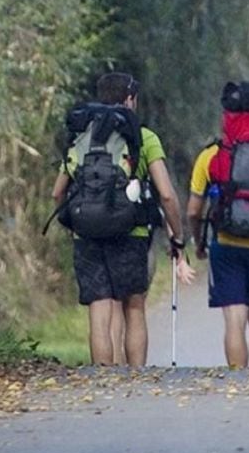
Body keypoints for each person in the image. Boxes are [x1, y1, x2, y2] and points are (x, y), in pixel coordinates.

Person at [52, 72, 194, 366]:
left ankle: (104, 378)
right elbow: (166, 194)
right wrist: (177, 236)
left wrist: (74, 223)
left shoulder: (82, 136)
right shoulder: (144, 137)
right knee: (134, 307)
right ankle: (136, 380)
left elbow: (57, 193)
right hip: (132, 233)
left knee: (100, 308)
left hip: (87, 234)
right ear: (129, 99)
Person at [187, 81, 249, 367]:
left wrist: (199, 241)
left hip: (226, 244)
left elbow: (193, 210)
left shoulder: (211, 156)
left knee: (234, 320)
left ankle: (238, 381)